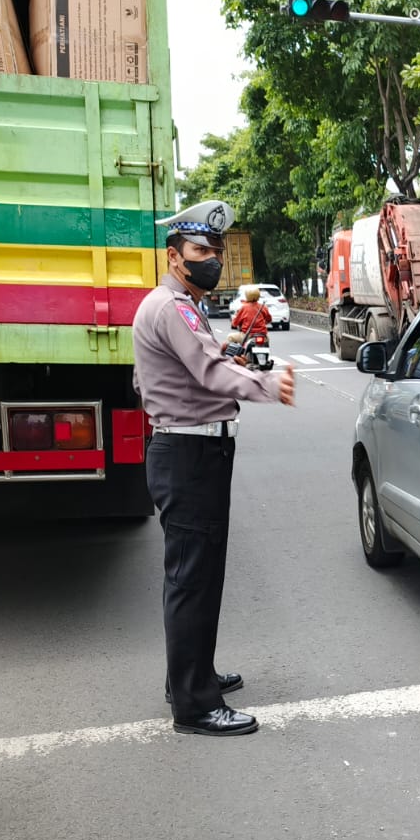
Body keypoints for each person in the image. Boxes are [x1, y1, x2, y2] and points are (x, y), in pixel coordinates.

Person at [133, 199, 297, 737]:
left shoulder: (182, 306)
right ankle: (194, 705)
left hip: (192, 452)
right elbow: (206, 371)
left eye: (215, 251)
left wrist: (227, 355)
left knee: (198, 576)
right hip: (189, 455)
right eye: (201, 250)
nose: (212, 259)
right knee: (191, 579)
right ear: (175, 257)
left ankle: (193, 674)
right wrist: (267, 386)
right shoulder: (172, 307)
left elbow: (176, 370)